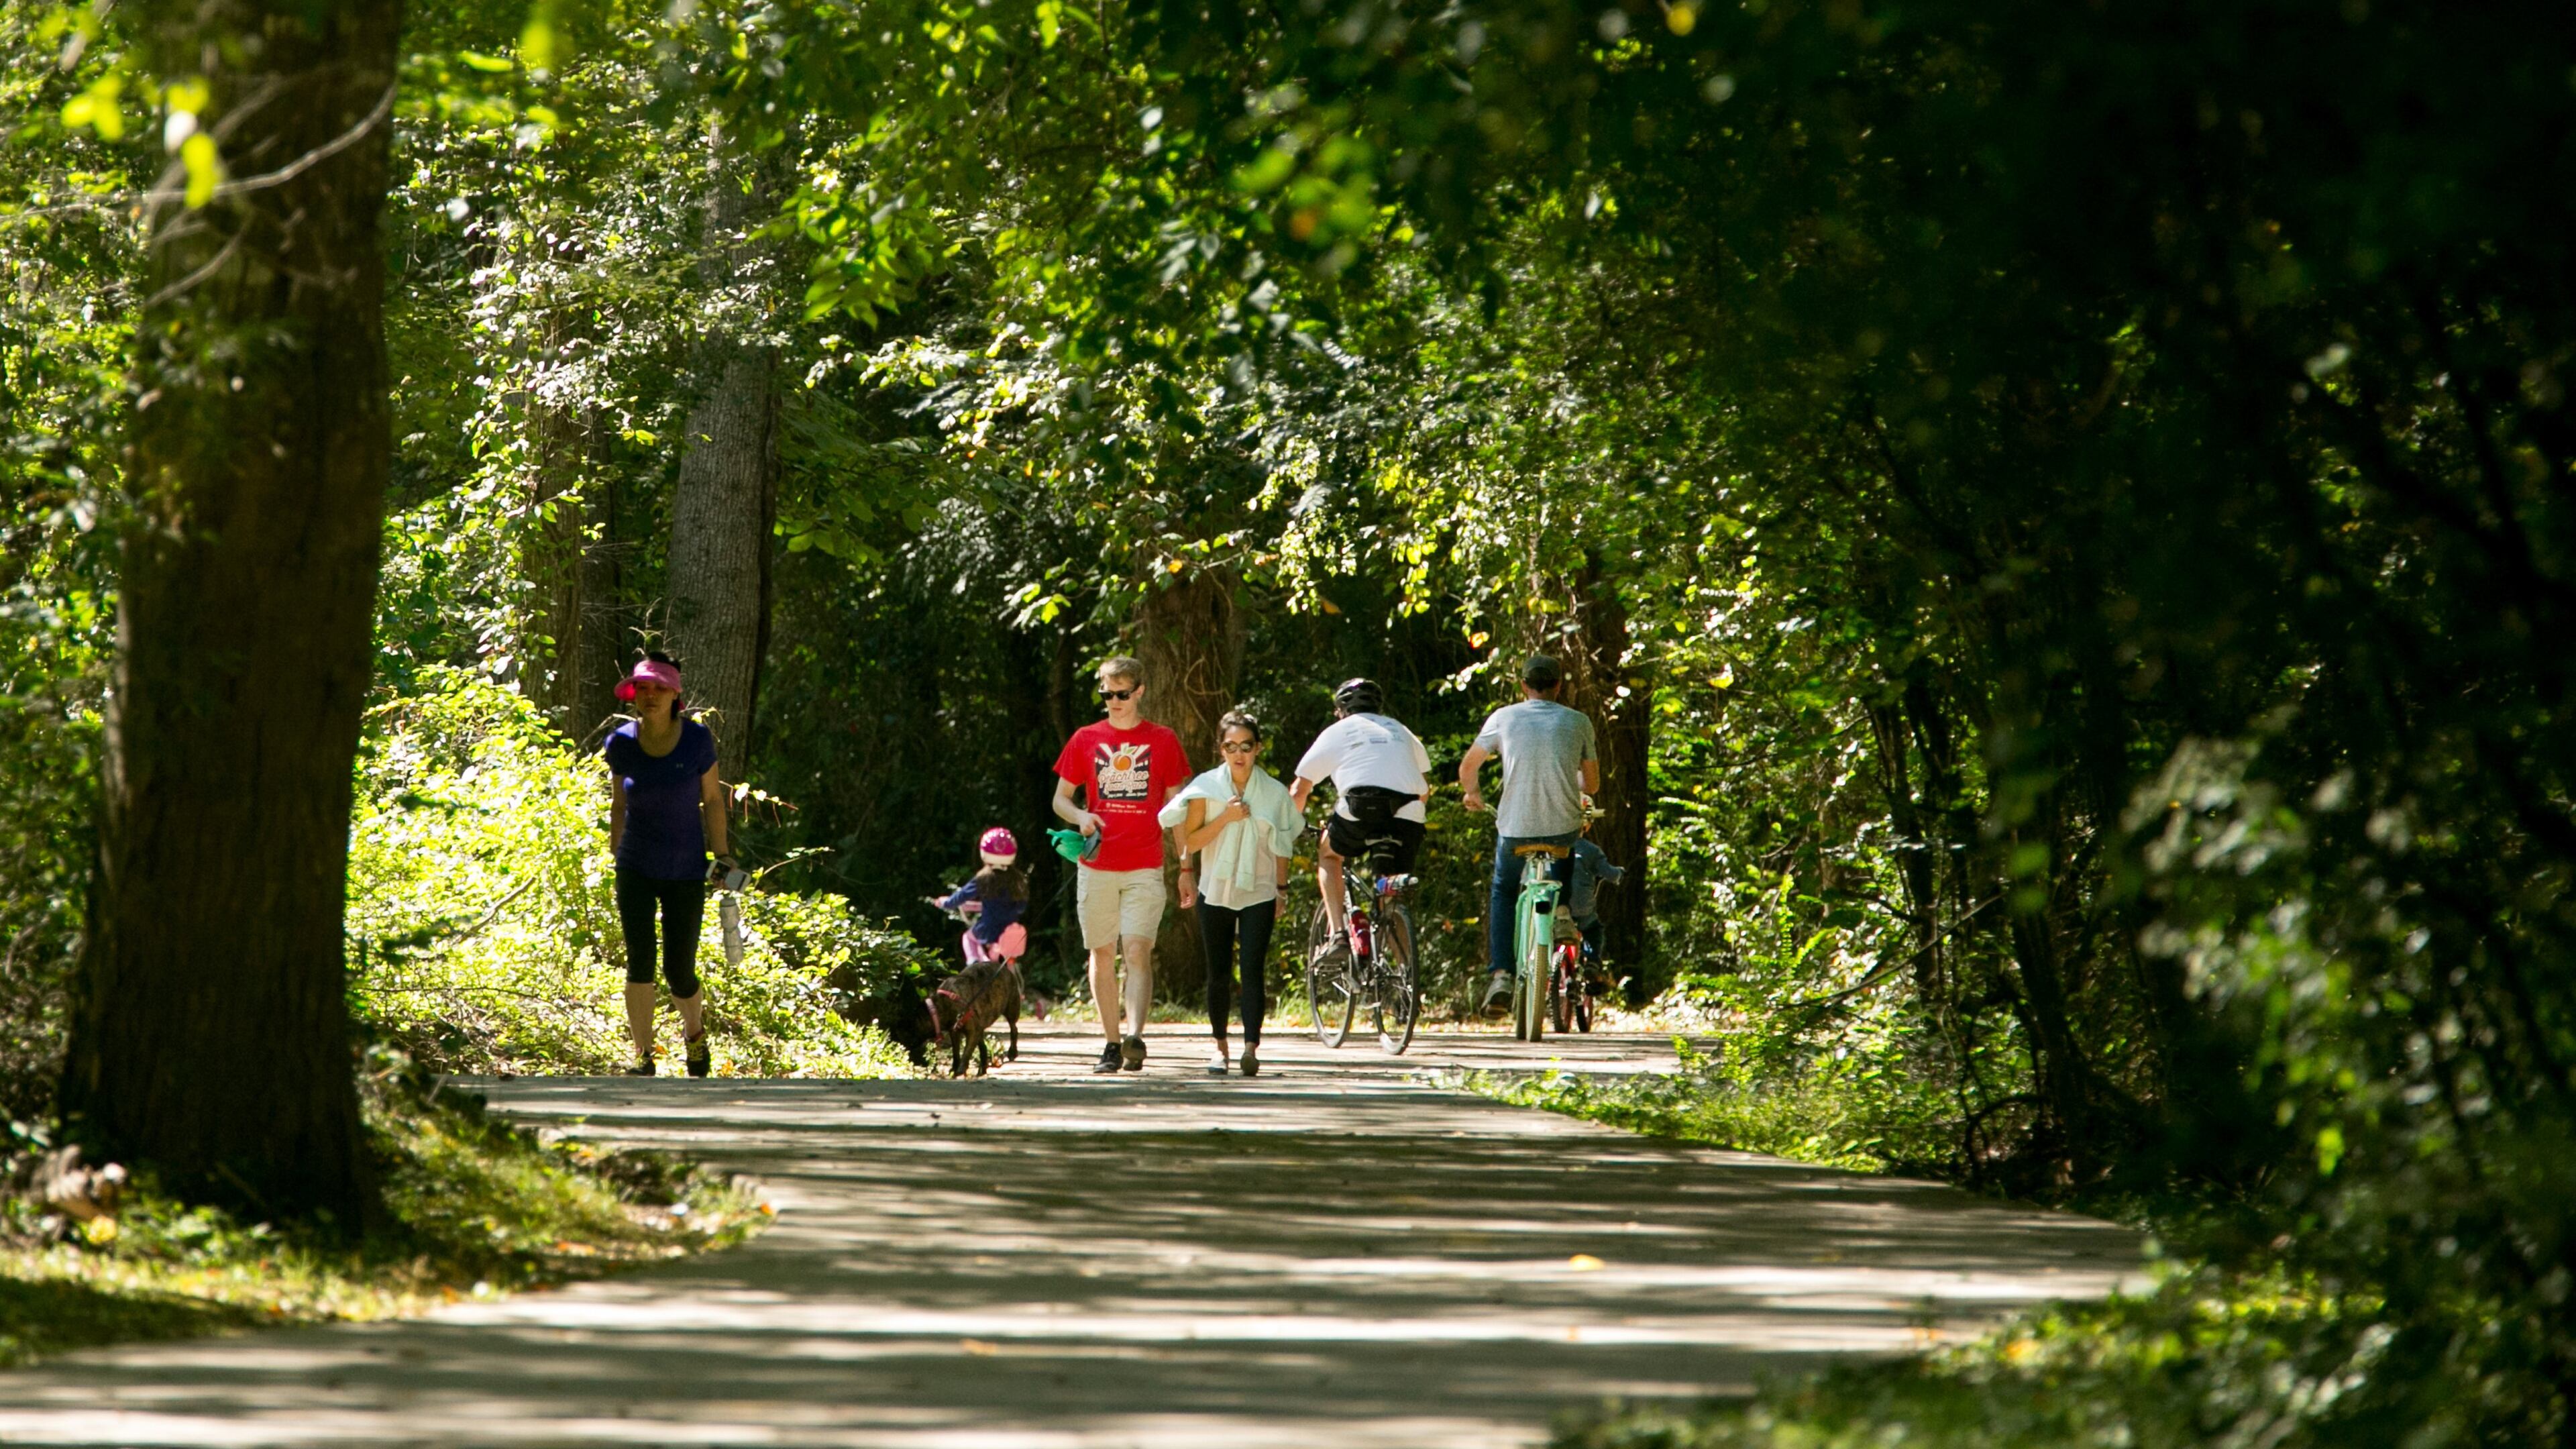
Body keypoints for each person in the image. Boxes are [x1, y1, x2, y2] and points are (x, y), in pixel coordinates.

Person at [1052, 655, 1190, 1073]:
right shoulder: (1085, 738)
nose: (1113, 701)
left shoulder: (1163, 740)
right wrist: (1080, 816)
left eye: (1122, 694)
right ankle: (1111, 1043)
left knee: (1137, 949)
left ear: (1140, 692)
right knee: (1102, 951)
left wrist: (1187, 867)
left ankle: (1135, 1037)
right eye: (1106, 694)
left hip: (1145, 864)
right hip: (1096, 865)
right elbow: (1061, 798)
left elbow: (1179, 808)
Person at [602, 653, 733, 1077]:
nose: (651, 695)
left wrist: (723, 855)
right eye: (643, 688)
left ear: (675, 694)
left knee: (680, 968)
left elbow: (712, 800)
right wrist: (615, 849)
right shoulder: (621, 742)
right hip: (636, 866)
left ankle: (694, 1034)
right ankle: (643, 1056)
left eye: (659, 688)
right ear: (634, 695)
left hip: (686, 869)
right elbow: (619, 803)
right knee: (640, 959)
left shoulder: (697, 741)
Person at [1458, 653, 1599, 1017]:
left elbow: (1468, 766)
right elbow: (1593, 784)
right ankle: (1563, 911)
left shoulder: (1503, 718)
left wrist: (1473, 794)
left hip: (1515, 827)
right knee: (1567, 845)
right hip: (1562, 824)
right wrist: (1575, 784)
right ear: (1558, 685)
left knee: (1504, 890)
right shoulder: (1578, 721)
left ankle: (1502, 974)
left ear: (1523, 685)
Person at [1164, 710, 1302, 1077]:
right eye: (1230, 747)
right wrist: (1225, 818)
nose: (1238, 754)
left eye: (1245, 746)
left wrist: (1282, 891)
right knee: (1219, 972)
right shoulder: (1205, 788)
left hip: (1259, 889)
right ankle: (1219, 1048)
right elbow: (1190, 841)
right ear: (1220, 749)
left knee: (1253, 969)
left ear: (1258, 748)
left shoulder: (1273, 793)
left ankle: (1251, 1048)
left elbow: (1283, 845)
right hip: (1215, 889)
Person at [1290, 678, 1432, 967]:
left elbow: (1299, 790)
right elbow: (1424, 789)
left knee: (1329, 854)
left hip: (1360, 811)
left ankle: (1339, 936)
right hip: (1409, 815)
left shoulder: (1337, 731)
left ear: (1341, 710)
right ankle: (1407, 980)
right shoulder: (1400, 730)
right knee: (1390, 897)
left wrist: (1290, 826)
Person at [930, 827, 1030, 965]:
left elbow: (961, 896)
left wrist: (945, 903)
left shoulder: (984, 879)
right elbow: (1020, 908)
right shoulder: (1017, 879)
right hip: (1010, 931)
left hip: (988, 930)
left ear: (984, 853)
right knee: (1010, 962)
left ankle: (973, 963)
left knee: (968, 937)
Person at [1564, 799, 1626, 983]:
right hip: (1580, 907)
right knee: (1593, 928)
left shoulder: (1552, 847)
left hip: (1553, 902)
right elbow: (1609, 873)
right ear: (1588, 825)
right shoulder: (1591, 850)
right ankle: (1592, 962)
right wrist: (1619, 873)